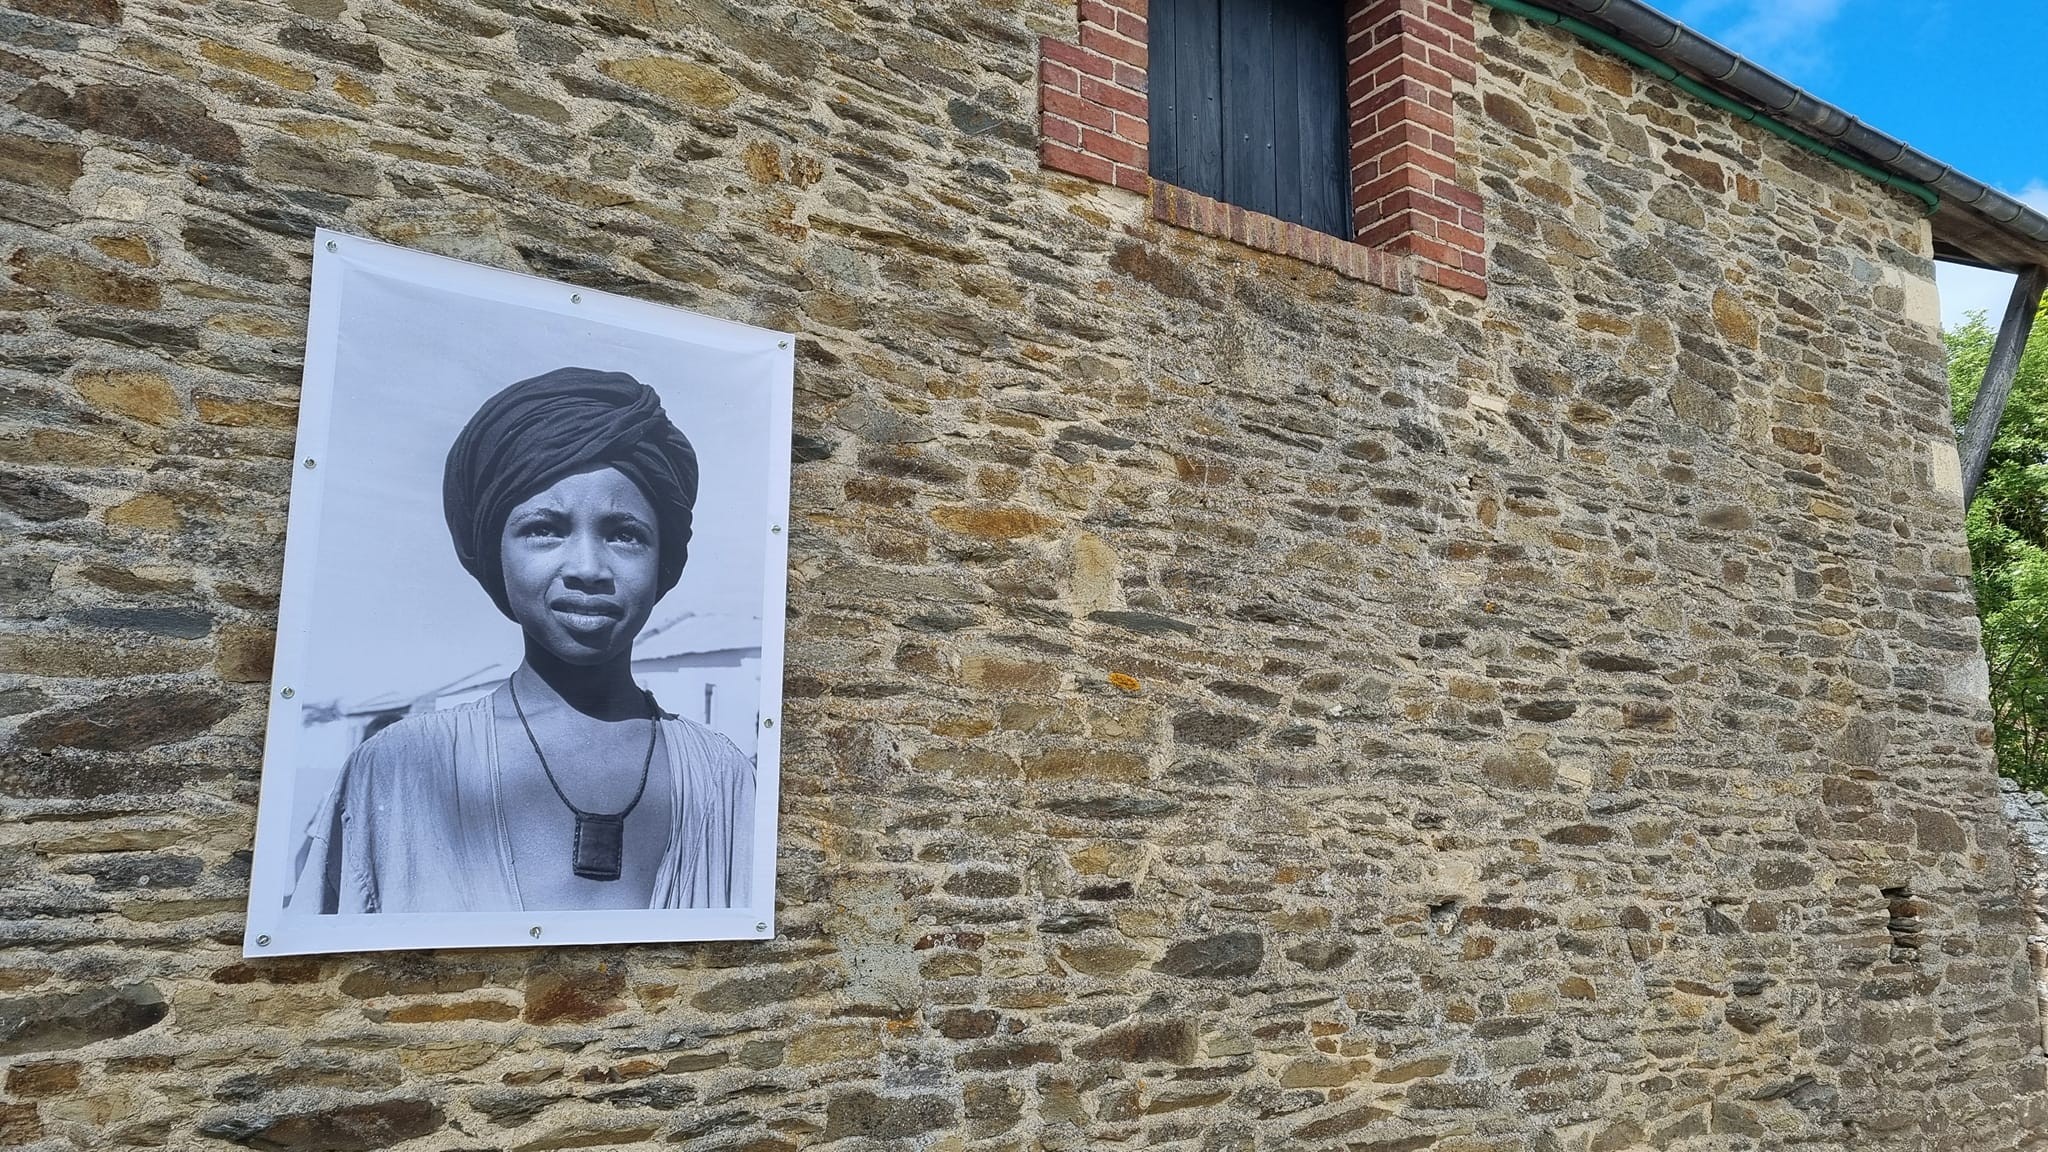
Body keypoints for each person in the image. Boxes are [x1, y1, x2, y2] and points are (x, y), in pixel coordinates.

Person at [289, 367, 755, 914]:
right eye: (545, 528)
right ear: (495, 551)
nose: (587, 568)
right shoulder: (394, 773)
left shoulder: (726, 783)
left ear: (663, 561)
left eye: (625, 535)